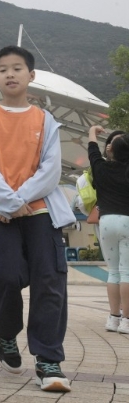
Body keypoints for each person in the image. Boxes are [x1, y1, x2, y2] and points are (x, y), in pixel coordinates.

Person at [0, 46, 76, 393]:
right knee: (5, 276)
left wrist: (18, 200)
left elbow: (51, 169)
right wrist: (7, 203)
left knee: (49, 280)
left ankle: (48, 359)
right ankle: (5, 332)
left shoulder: (46, 120)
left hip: (41, 210)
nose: (10, 74)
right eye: (3, 69)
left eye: (17, 68)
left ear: (31, 75)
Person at [87, 125, 129, 333]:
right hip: (127, 221)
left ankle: (113, 318)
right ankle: (127, 321)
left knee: (113, 272)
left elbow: (93, 151)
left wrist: (92, 132)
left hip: (106, 222)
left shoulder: (101, 169)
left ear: (111, 150)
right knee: (127, 272)